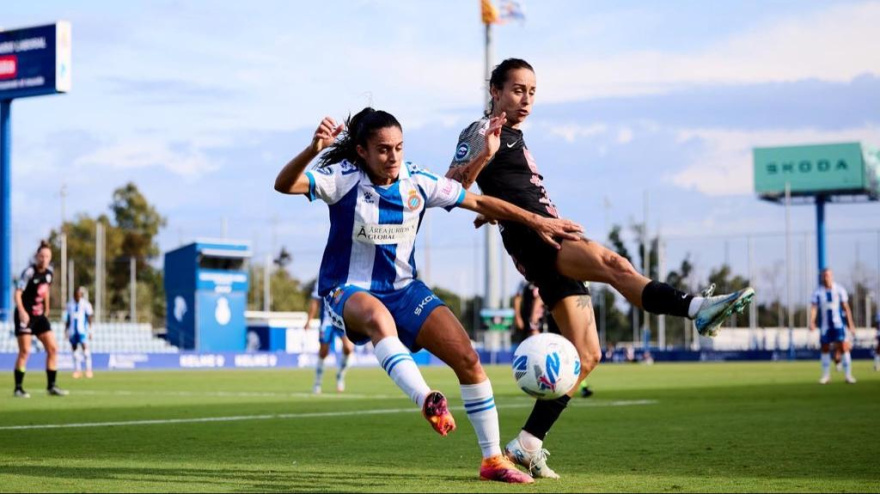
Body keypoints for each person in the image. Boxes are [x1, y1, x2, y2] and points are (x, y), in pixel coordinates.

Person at [446, 58, 755, 478]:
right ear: (495, 91)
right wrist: (485, 160)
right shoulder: (481, 132)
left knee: (587, 356)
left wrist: (495, 207)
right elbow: (452, 187)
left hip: (545, 233)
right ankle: (697, 308)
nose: (526, 99)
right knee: (614, 263)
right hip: (540, 240)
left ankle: (526, 444)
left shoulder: (514, 135)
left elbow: (503, 190)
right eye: (518, 90)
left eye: (533, 92)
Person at [274, 107, 583, 483]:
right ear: (362, 151)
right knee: (377, 319)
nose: (393, 157)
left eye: (399, 148)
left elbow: (481, 203)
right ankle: (427, 400)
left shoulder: (417, 180)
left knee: (467, 358)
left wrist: (539, 220)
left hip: (406, 289)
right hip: (348, 288)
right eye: (383, 149)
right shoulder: (341, 179)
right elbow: (285, 184)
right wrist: (312, 149)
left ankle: (493, 461)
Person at [13, 240, 68, 397]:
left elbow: (45, 292)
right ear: (37, 256)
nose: (44, 259)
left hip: (39, 316)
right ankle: (18, 388)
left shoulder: (49, 274)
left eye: (47, 256)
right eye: (42, 256)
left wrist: (47, 307)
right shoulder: (29, 273)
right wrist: (22, 312)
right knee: (25, 351)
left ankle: (51, 386)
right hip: (25, 315)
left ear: (50, 258)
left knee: (53, 349)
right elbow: (17, 293)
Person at [304, 282, 354, 393]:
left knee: (348, 348)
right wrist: (309, 320)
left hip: (341, 320)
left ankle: (340, 375)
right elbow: (315, 301)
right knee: (323, 352)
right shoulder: (322, 279)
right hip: (327, 321)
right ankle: (317, 382)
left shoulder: (345, 277)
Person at [809, 268, 856, 384]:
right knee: (825, 348)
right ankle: (826, 376)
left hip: (839, 325)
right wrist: (812, 321)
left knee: (844, 347)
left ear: (832, 276)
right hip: (825, 326)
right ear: (822, 277)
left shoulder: (839, 290)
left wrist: (851, 324)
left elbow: (846, 308)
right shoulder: (818, 292)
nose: (826, 278)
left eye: (828, 275)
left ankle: (848, 375)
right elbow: (814, 308)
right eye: (824, 276)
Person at [65, 287, 95, 379]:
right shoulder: (70, 304)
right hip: (72, 331)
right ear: (74, 295)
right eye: (76, 295)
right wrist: (65, 330)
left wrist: (90, 330)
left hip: (82, 330)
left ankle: (88, 370)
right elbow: (68, 319)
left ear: (81, 295)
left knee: (85, 350)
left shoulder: (85, 304)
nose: (78, 297)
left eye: (79, 295)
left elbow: (89, 317)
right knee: (74, 351)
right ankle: (77, 370)